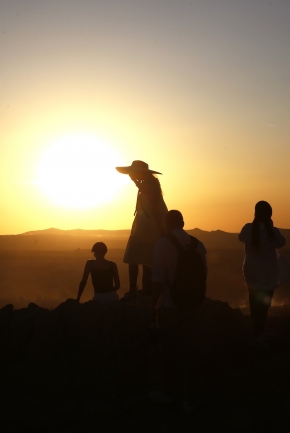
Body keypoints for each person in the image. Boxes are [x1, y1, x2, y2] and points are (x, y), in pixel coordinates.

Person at [150, 210, 207, 412]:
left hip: (170, 306)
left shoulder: (163, 244)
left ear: (166, 224)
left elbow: (157, 280)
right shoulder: (198, 245)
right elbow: (203, 276)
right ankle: (190, 399)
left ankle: (168, 393)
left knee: (169, 353)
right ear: (183, 223)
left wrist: (150, 309)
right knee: (190, 353)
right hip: (193, 306)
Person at [116, 160, 168, 297]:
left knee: (135, 258)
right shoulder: (150, 184)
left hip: (147, 228)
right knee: (146, 259)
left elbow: (155, 208)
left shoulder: (149, 186)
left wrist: (160, 227)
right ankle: (145, 289)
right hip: (147, 227)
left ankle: (135, 289)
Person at [238, 201, 286, 346]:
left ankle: (257, 332)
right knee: (264, 304)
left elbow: (240, 237)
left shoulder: (248, 229)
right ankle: (259, 333)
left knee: (254, 302)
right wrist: (270, 226)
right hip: (267, 274)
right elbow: (282, 242)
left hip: (251, 272)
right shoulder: (272, 232)